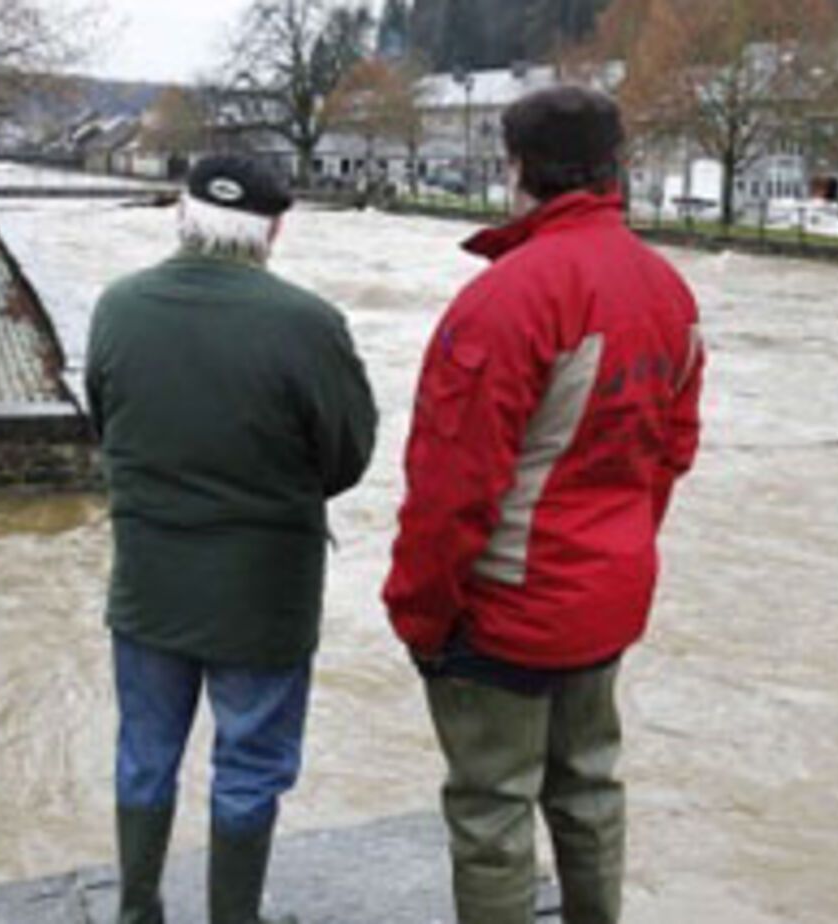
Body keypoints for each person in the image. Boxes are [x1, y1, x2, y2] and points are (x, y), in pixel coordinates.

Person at [382, 86, 705, 924]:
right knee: (591, 787)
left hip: (506, 610)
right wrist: (618, 559)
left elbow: (451, 489)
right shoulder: (668, 291)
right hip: (607, 598)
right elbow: (669, 457)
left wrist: (420, 616)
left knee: (492, 811)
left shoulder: (509, 298)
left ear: (517, 167)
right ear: (614, 168)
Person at [87, 154, 378, 924]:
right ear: (275, 228)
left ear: (182, 214)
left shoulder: (118, 308)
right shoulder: (307, 324)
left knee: (144, 756)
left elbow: (104, 420)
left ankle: (137, 911)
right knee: (249, 767)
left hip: (149, 580)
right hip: (263, 591)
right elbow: (348, 456)